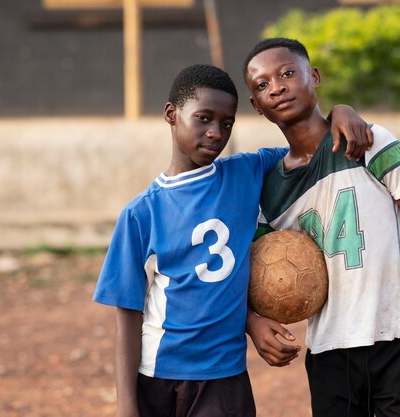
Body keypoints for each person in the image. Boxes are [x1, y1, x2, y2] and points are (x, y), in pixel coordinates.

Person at [92, 64, 372, 417]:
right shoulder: (140, 214)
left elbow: (309, 145)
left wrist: (340, 112)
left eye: (226, 124)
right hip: (158, 375)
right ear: (171, 114)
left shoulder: (246, 172)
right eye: (204, 119)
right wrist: (126, 404)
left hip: (225, 376)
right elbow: (128, 316)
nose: (215, 133)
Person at [243, 38, 400, 417]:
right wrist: (253, 323)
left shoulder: (366, 142)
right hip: (328, 356)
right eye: (262, 85)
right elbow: (247, 272)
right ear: (256, 106)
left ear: (314, 76)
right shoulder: (270, 192)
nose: (278, 86)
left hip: (399, 341)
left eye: (288, 73)